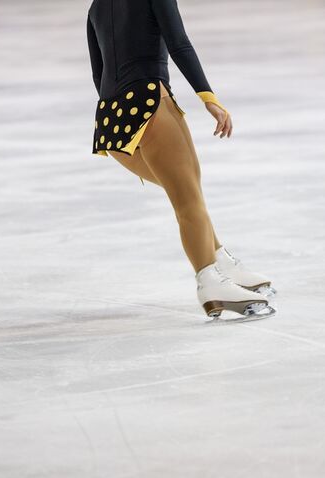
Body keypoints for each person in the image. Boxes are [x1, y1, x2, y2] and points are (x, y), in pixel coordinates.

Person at [86, 0, 276, 320]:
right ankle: (210, 281)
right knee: (188, 201)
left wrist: (121, 112)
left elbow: (98, 73)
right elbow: (179, 43)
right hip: (149, 102)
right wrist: (208, 97)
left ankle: (219, 258)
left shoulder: (96, 7)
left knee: (186, 192)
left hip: (111, 121)